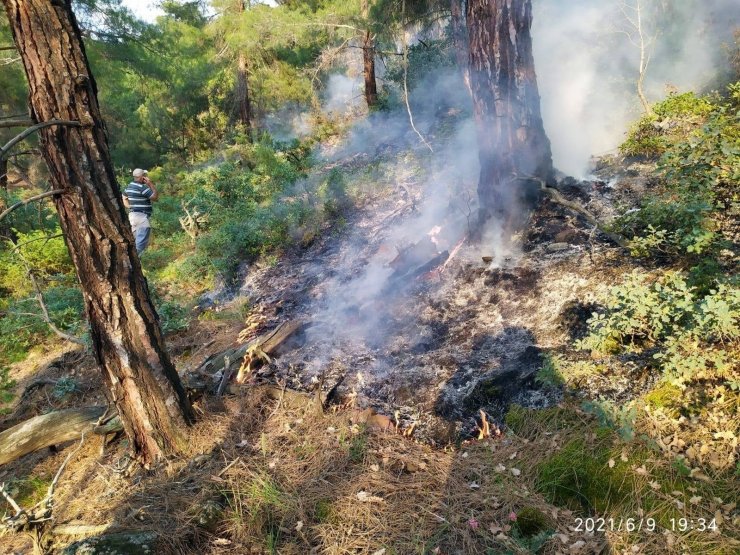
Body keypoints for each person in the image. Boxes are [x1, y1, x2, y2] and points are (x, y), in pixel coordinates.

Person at [122, 168, 159, 255]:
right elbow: (155, 197)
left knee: (134, 242)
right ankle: (133, 260)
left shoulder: (129, 186)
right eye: (145, 175)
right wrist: (150, 184)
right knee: (140, 244)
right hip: (141, 217)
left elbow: (124, 198)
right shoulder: (142, 188)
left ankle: (130, 259)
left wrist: (130, 207)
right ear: (142, 177)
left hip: (132, 216)